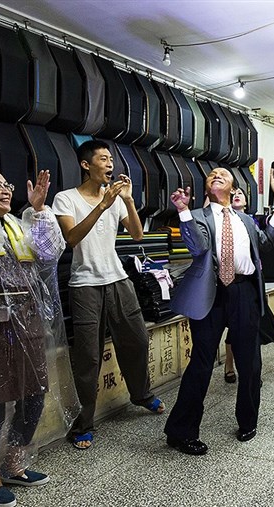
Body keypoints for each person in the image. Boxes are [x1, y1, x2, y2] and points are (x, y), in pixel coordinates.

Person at [0, 167, 80, 507]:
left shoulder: (20, 225)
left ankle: (15, 462)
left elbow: (51, 253)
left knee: (33, 395)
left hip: (28, 319)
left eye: (7, 185)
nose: (6, 191)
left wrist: (38, 210)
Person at [163, 168, 274, 455]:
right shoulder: (197, 217)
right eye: (212, 174)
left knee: (250, 362)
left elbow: (263, 245)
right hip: (210, 295)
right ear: (206, 188)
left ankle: (248, 421)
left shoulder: (245, 219)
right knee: (201, 363)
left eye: (223, 174)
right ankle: (181, 432)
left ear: (233, 187)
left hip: (244, 292)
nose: (216, 175)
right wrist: (184, 211)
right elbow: (199, 248)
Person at [52, 140, 163, 451]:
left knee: (138, 339)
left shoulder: (115, 199)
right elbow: (72, 239)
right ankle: (83, 424)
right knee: (88, 357)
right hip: (84, 285)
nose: (110, 164)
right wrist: (102, 205)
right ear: (86, 165)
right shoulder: (65, 199)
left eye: (111, 159)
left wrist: (127, 201)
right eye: (103, 159)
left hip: (118, 279)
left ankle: (141, 394)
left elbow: (139, 235)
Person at [222, 183, 274, 383]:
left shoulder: (254, 220)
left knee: (252, 324)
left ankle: (251, 368)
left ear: (247, 201)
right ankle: (229, 365)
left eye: (241, 193)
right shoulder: (222, 219)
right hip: (230, 279)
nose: (237, 195)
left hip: (254, 279)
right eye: (234, 193)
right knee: (234, 325)